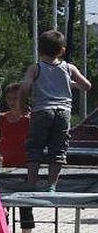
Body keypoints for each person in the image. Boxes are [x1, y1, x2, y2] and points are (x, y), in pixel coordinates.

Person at [20, 30, 92, 193]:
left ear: (39, 49)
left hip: (42, 110)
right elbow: (87, 86)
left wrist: (22, 104)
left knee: (35, 147)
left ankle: (31, 182)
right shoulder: (69, 68)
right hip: (63, 112)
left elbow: (25, 87)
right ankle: (51, 185)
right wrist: (71, 84)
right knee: (58, 148)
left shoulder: (35, 68)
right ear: (62, 50)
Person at [0, 83, 37, 233]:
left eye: (15, 98)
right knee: (2, 210)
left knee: (26, 209)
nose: (12, 102)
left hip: (25, 169)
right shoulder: (1, 118)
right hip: (6, 170)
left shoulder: (30, 120)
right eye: (9, 98)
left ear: (23, 99)